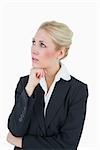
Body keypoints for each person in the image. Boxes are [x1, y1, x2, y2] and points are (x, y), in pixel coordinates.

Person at [7, 20, 89, 150]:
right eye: (33, 42)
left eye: (42, 45)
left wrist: (22, 142)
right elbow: (15, 130)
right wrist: (29, 89)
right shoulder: (25, 83)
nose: (34, 50)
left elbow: (68, 145)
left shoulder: (77, 90)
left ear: (60, 53)